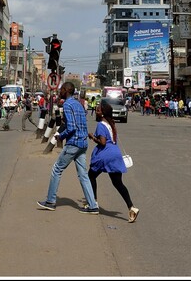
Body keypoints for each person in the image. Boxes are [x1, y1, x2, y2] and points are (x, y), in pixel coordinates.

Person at [36, 82, 99, 214]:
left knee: (57, 169)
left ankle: (50, 201)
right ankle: (93, 205)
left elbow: (71, 127)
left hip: (74, 143)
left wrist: (60, 136)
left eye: (61, 89)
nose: (60, 92)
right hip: (83, 143)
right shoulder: (79, 104)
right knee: (83, 175)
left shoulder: (68, 104)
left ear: (66, 90)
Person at [89, 101, 139, 223]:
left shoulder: (101, 124)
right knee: (118, 183)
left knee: (90, 175)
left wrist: (92, 137)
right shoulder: (111, 124)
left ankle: (93, 203)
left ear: (103, 113)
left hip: (105, 154)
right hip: (115, 154)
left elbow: (103, 142)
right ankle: (131, 207)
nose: (96, 110)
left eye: (99, 109)